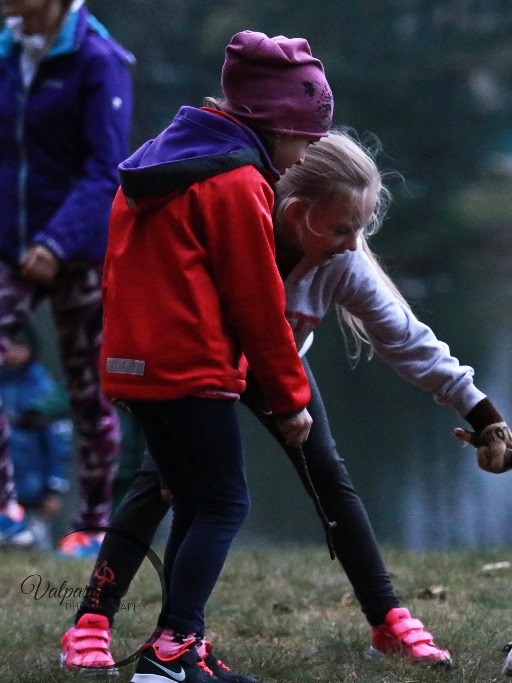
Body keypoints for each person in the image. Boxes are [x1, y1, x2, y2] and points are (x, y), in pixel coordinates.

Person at [60, 130, 512, 677]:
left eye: (360, 229)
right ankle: (92, 624)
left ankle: (388, 619)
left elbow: (407, 340)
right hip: (205, 365)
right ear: (299, 212)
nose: (353, 243)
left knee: (327, 473)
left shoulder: (341, 263)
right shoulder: (233, 222)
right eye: (344, 228)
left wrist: (483, 416)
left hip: (278, 365)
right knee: (161, 482)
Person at [89, 29, 330, 683]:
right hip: (190, 368)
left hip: (133, 364)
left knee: (193, 497)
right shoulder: (236, 182)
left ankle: (177, 649)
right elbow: (258, 302)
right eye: (306, 136)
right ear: (273, 121)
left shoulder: (155, 163)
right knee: (226, 502)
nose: (308, 153)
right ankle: (172, 652)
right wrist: (290, 397)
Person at [0, 0, 132, 558]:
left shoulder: (99, 60)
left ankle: (93, 528)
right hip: (9, 245)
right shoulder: (6, 52)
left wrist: (55, 242)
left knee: (88, 391)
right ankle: (8, 515)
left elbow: (106, 169)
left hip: (77, 251)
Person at [0, 322, 72, 549]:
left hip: (33, 490)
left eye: (21, 346)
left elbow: (59, 444)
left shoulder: (43, 390)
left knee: (35, 545)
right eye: (10, 344)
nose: (14, 352)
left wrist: (54, 488)